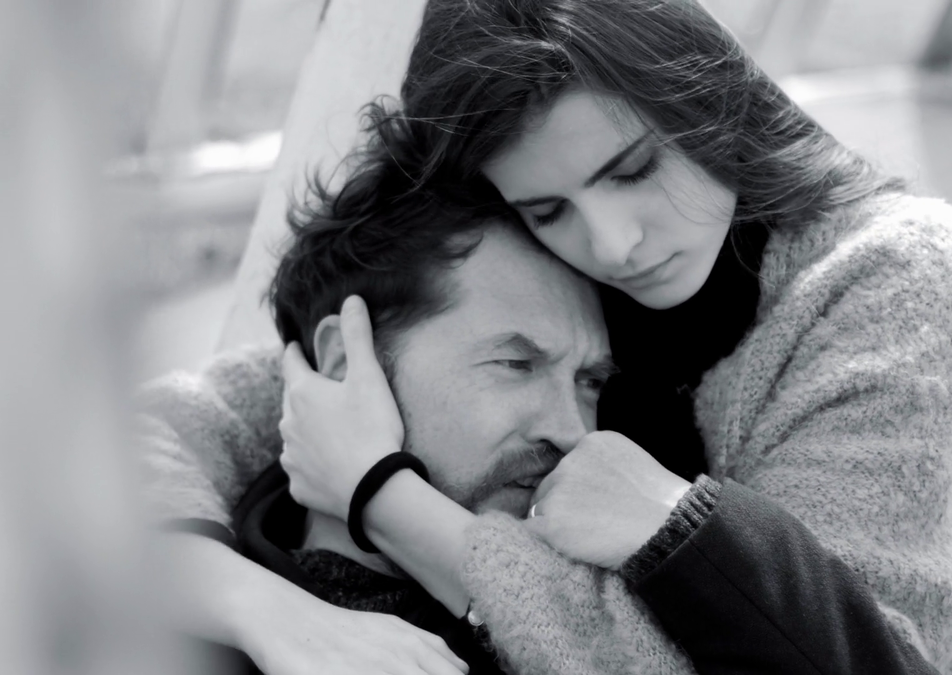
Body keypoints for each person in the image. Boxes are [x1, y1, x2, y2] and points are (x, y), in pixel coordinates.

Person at [147, 1, 952, 674]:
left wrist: (385, 495)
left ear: (711, 94)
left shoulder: (893, 276)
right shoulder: (574, 275)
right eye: (547, 208)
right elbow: (183, 423)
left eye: (634, 169)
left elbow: (808, 652)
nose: (614, 243)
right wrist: (260, 606)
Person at [142, 123, 696, 675]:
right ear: (344, 362)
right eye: (516, 364)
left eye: (589, 381)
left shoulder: (628, 607)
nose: (574, 432)